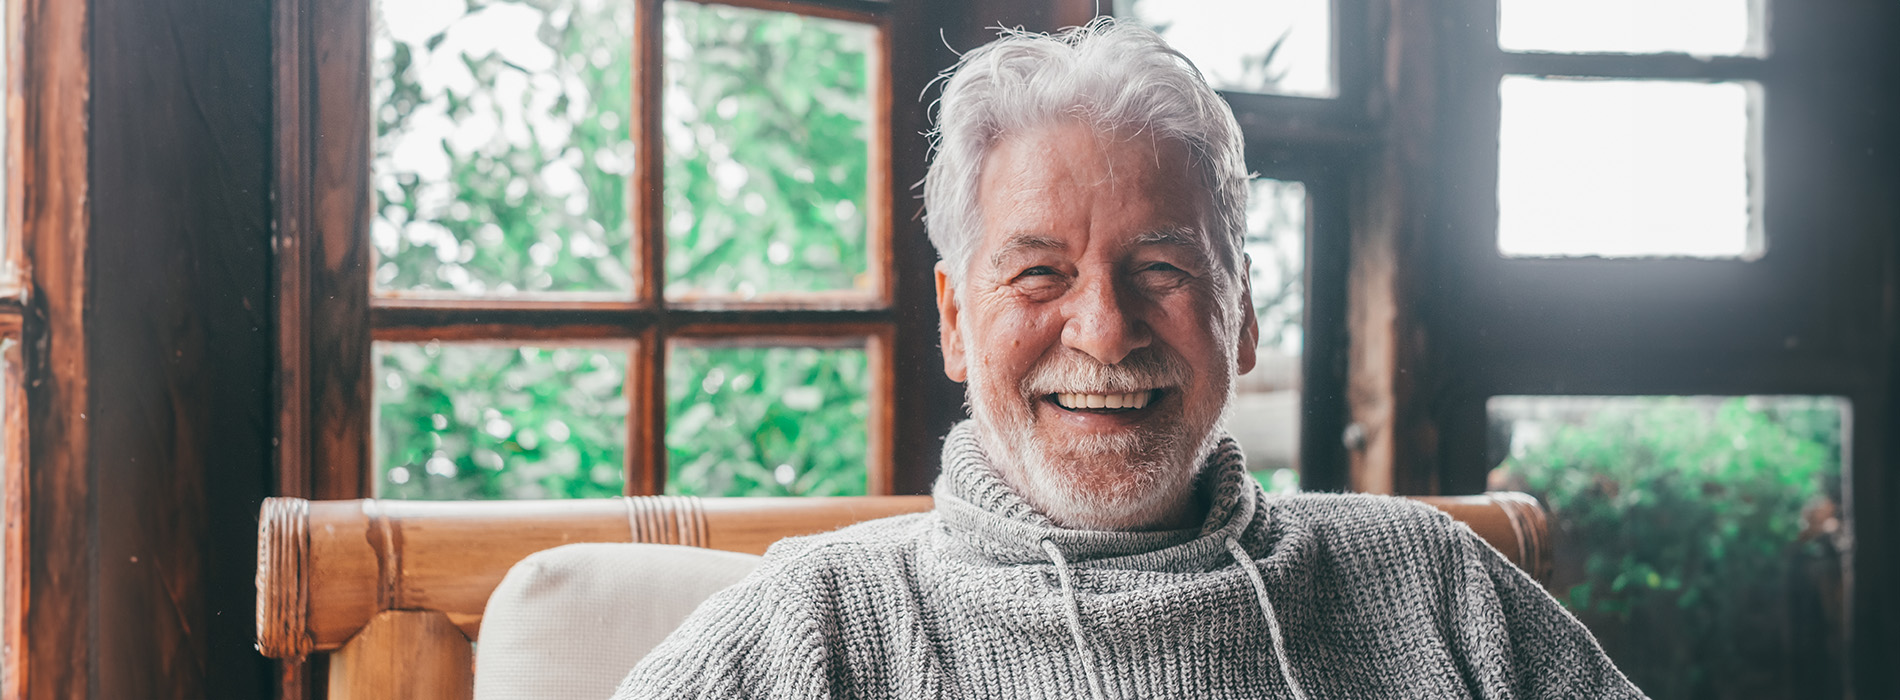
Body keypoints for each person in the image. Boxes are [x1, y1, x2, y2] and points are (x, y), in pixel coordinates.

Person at [614, 19, 1644, 699]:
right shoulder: (817, 625)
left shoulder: (1438, 586)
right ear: (953, 323)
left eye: (1161, 270)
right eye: (1038, 274)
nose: (1104, 332)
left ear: (1240, 313)